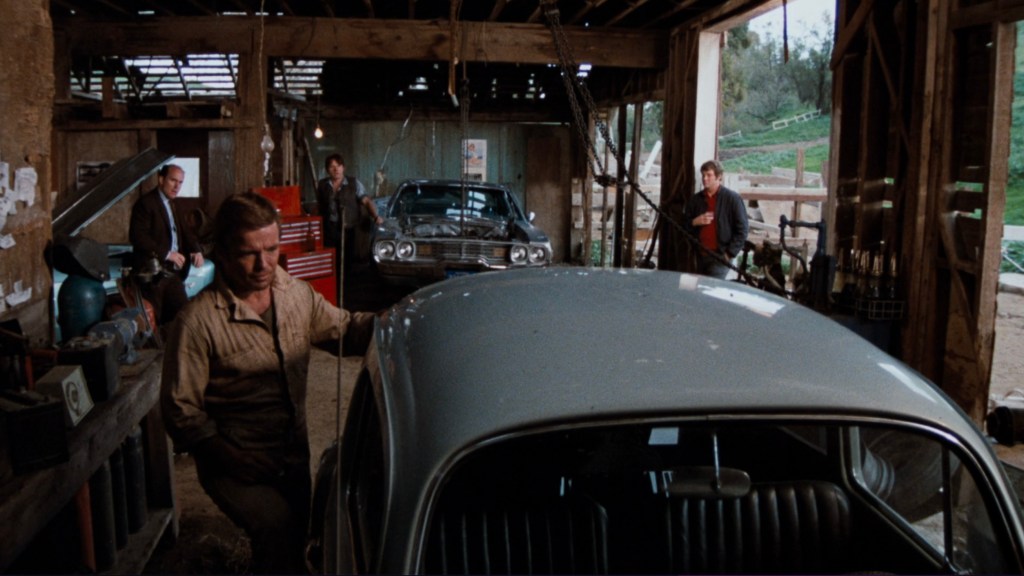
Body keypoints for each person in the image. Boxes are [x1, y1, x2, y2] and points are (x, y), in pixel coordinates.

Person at [160, 192, 375, 574]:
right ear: (222, 254)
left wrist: (404, 320)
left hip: (292, 452)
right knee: (277, 529)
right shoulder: (197, 322)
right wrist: (230, 456)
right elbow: (180, 410)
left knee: (298, 541)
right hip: (234, 460)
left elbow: (346, 330)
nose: (264, 264)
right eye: (249, 253)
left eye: (272, 249)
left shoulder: (295, 296)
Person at [129, 163, 204, 326]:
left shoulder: (174, 204)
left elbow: (186, 232)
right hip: (153, 275)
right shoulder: (145, 203)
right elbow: (137, 236)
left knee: (182, 319)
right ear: (161, 179)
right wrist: (167, 254)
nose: (177, 186)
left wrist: (196, 251)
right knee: (154, 323)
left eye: (180, 182)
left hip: (173, 274)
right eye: (173, 180)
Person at [315, 153, 383, 271]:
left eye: (339, 165)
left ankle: (346, 287)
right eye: (332, 166)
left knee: (346, 262)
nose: (336, 169)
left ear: (343, 168)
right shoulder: (322, 185)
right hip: (328, 230)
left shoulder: (353, 183)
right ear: (327, 170)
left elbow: (366, 201)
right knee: (329, 261)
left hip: (348, 230)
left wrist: (376, 216)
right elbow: (318, 206)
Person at [683, 159, 749, 279]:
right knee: (696, 289)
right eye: (703, 175)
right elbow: (683, 226)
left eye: (709, 175)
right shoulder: (695, 200)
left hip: (720, 256)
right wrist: (694, 222)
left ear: (719, 177)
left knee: (711, 289)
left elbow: (742, 230)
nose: (705, 178)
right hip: (699, 255)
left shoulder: (732, 199)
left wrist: (729, 254)